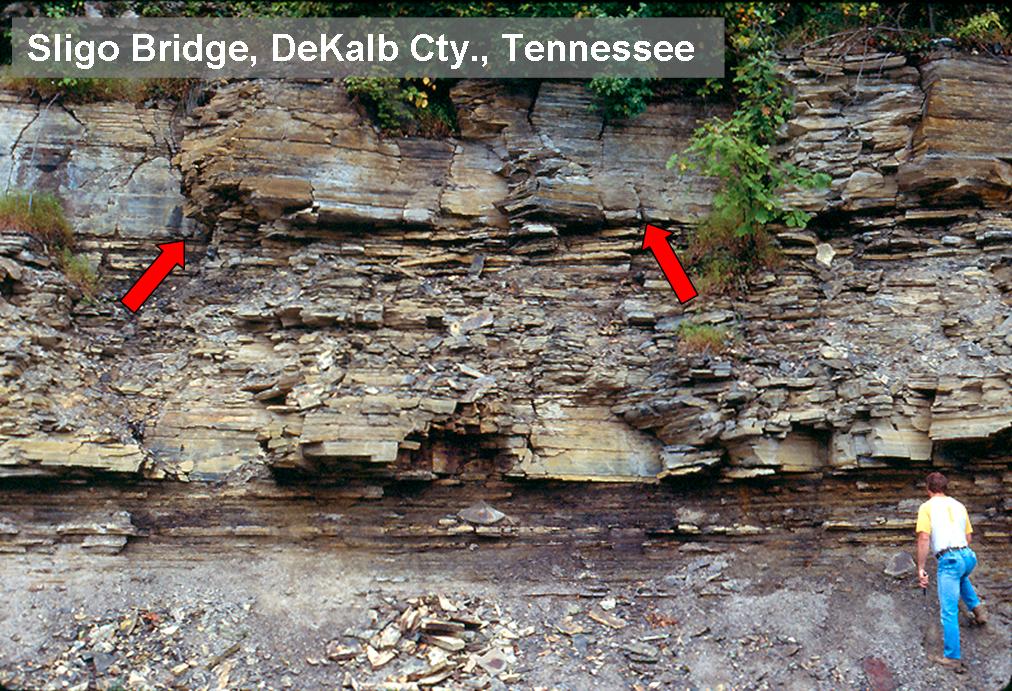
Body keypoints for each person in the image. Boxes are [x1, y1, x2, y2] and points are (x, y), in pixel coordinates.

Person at [915, 471, 987, 670]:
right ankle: (979, 611)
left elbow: (924, 538)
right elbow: (968, 537)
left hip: (950, 559)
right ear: (945, 487)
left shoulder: (926, 507)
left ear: (928, 489)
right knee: (961, 576)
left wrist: (921, 568)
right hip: (968, 556)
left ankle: (953, 657)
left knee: (948, 610)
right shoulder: (959, 505)